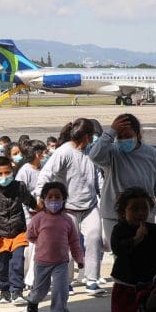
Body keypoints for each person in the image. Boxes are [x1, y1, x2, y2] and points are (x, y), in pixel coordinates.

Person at [33, 118, 106, 295]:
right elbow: (45, 175)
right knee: (66, 245)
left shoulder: (90, 152)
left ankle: (92, 279)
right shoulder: (63, 152)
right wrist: (39, 197)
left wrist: (103, 194)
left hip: (90, 206)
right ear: (86, 136)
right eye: (92, 136)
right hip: (68, 208)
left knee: (94, 239)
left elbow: (98, 176)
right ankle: (66, 282)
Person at [86, 113, 156, 248]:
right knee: (121, 256)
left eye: (128, 136)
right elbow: (94, 155)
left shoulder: (152, 154)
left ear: (138, 135)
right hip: (114, 217)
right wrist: (111, 132)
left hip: (144, 216)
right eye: (120, 137)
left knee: (145, 255)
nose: (123, 140)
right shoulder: (112, 152)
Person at [0, 156, 38, 304]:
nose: (4, 176)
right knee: (3, 264)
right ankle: (4, 291)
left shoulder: (19, 186)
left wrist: (44, 210)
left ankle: (17, 291)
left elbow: (30, 202)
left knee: (17, 261)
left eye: (7, 173)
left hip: (18, 230)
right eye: (0, 174)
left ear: (12, 171)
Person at [26, 181, 85, 312]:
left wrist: (79, 259)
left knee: (61, 289)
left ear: (64, 199)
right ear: (44, 199)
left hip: (61, 263)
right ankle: (33, 300)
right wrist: (41, 244)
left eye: (57, 197)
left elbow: (74, 242)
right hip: (42, 262)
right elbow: (31, 235)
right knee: (40, 290)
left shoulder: (68, 220)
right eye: (50, 197)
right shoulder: (38, 219)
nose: (53, 200)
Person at [17, 140, 47, 290]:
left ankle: (32, 279)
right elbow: (19, 195)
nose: (45, 155)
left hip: (43, 214)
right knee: (28, 249)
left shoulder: (45, 169)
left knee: (38, 248)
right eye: (43, 152)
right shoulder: (25, 171)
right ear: (37, 154)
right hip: (27, 215)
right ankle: (23, 277)